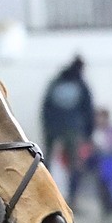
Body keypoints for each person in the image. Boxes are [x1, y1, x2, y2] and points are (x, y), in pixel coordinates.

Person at [41, 56, 94, 203]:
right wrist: (88, 133)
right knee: (74, 165)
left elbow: (45, 108)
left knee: (47, 163)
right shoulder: (80, 84)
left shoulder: (56, 83)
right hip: (73, 128)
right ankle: (71, 198)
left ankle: (46, 195)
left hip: (54, 127)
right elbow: (88, 109)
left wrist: (47, 128)